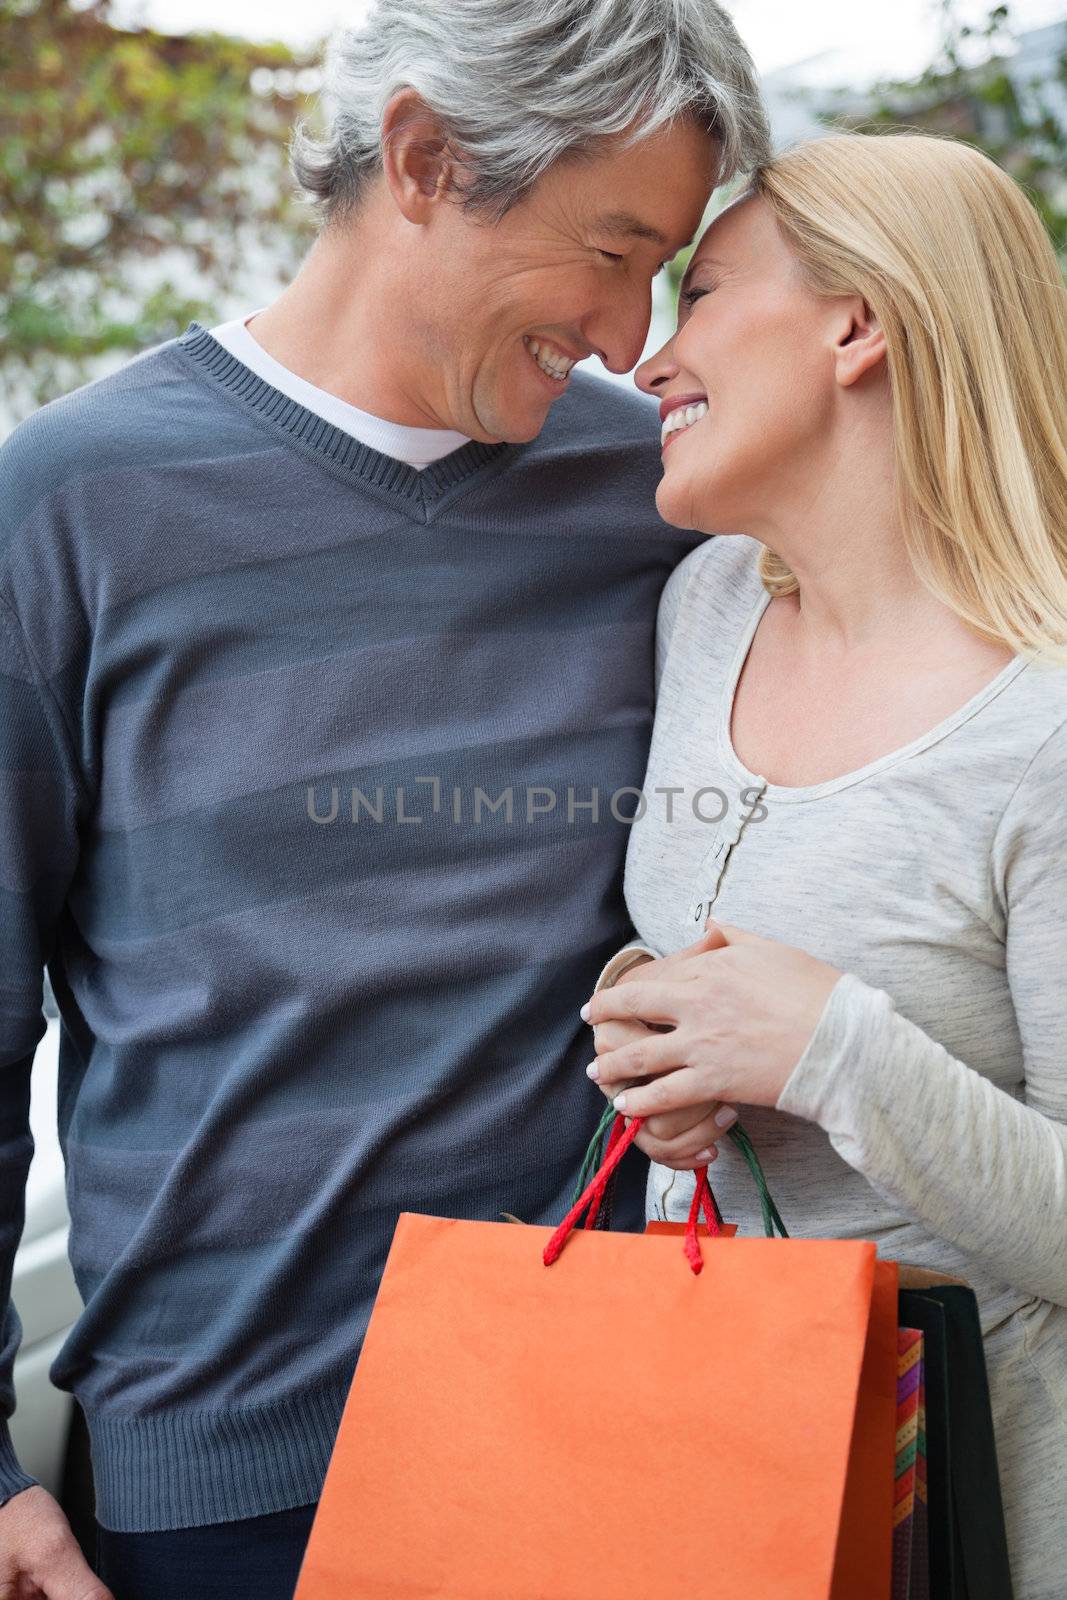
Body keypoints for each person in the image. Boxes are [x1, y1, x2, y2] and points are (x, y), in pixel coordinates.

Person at [0, 2, 769, 1595]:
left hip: (626, 1432)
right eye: (613, 250)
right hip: (222, 1485)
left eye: (664, 274)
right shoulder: (64, 512)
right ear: (423, 158)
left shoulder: (670, 510)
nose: (631, 336)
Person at [582, 131, 1067, 1599]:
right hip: (710, 1474)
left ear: (858, 324)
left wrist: (828, 1049)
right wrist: (666, 1028)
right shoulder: (708, 606)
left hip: (960, 1525)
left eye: (707, 292)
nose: (650, 361)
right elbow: (744, 919)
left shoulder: (1043, 724)